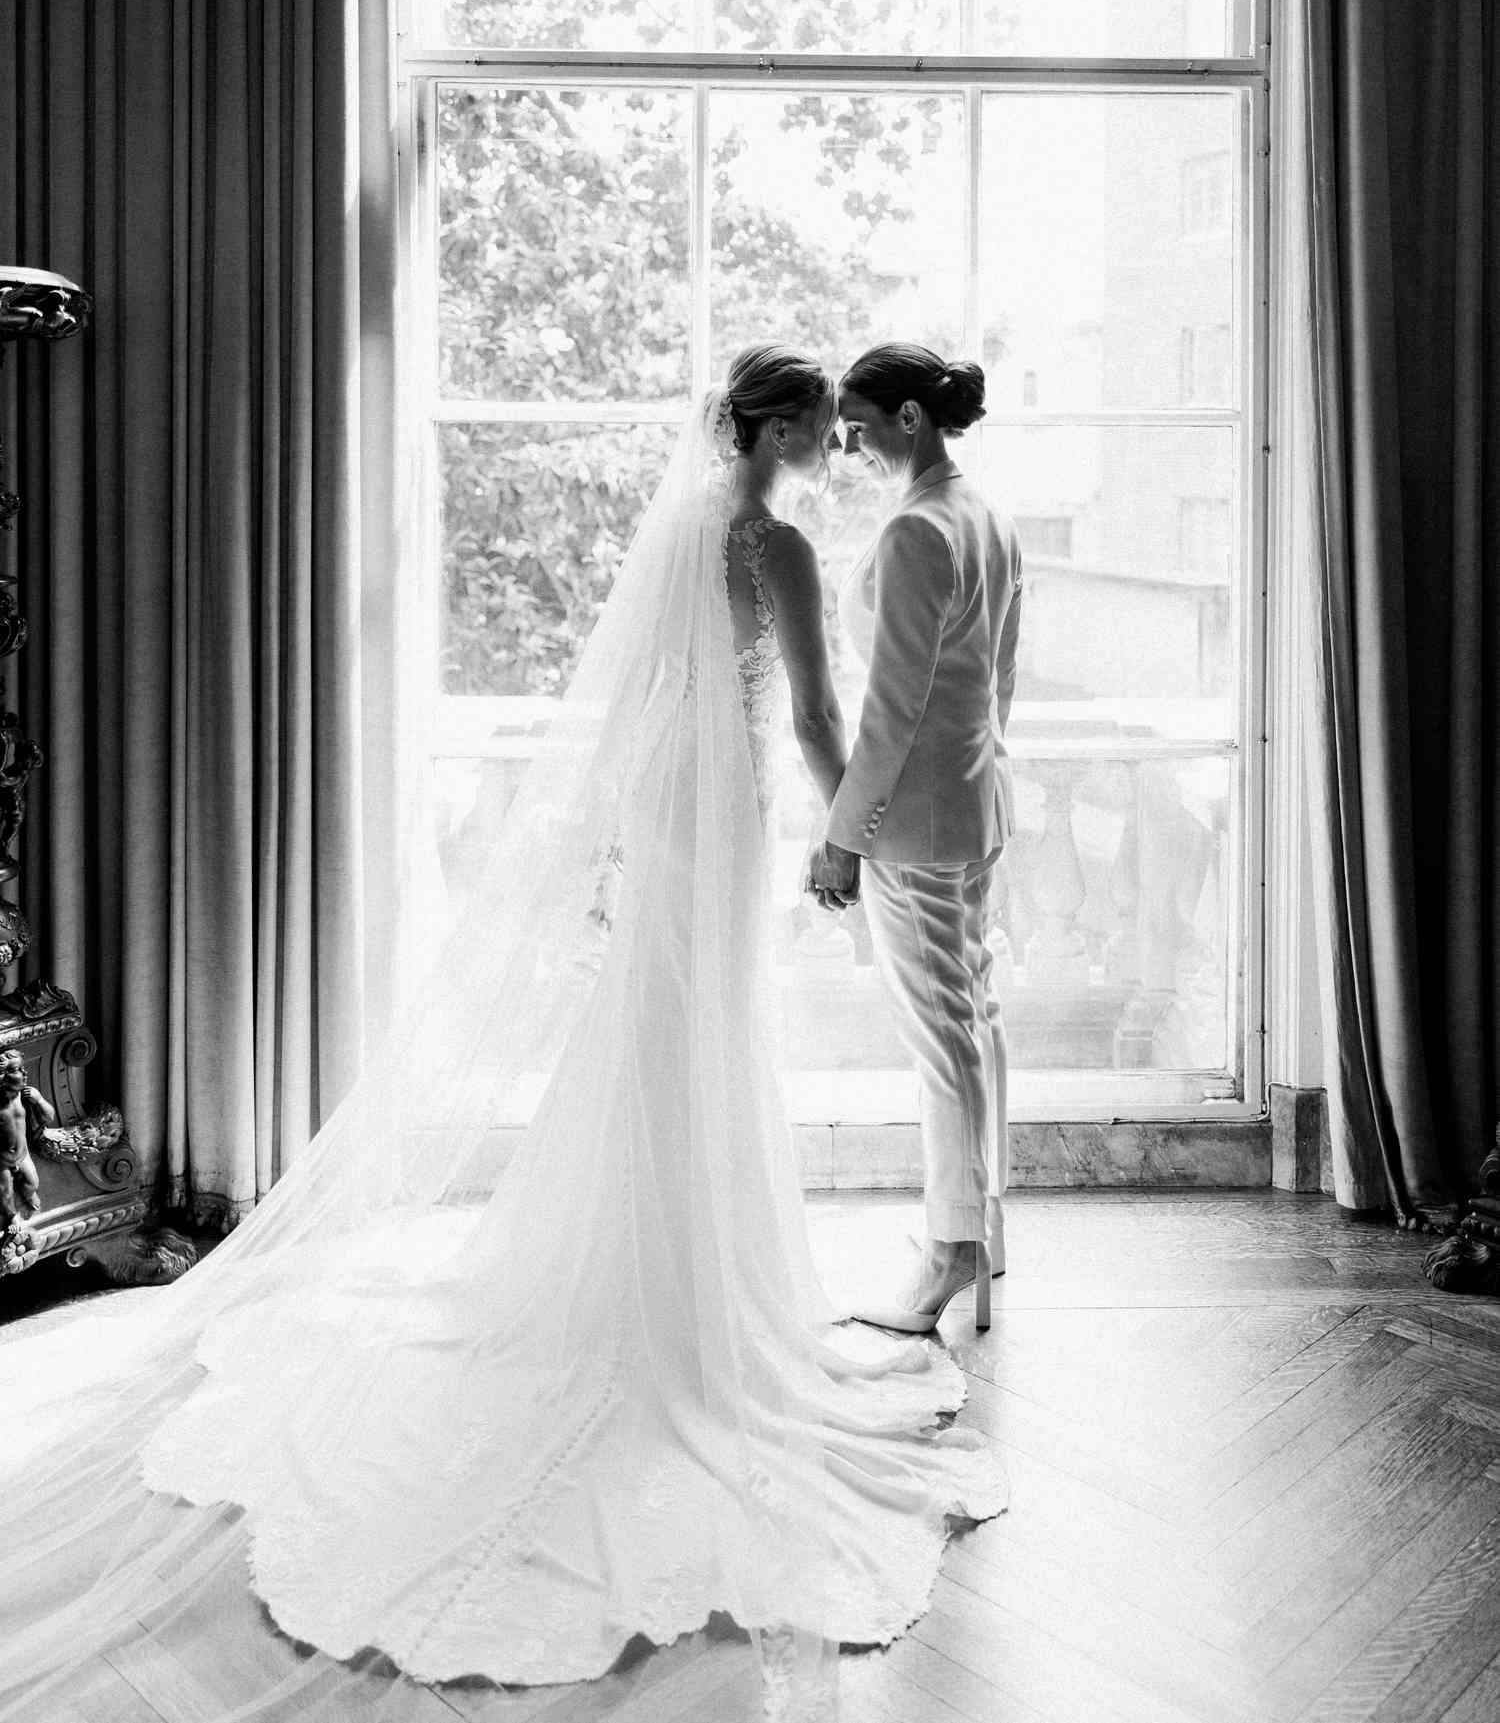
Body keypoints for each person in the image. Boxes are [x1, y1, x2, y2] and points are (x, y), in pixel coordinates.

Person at [0, 345, 1002, 1723]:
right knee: (707, 1047)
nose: (837, 440)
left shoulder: (691, 528)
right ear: (771, 426)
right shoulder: (771, 547)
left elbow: (644, 705)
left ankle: (637, 1276)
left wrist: (614, 849)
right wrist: (855, 838)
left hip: (666, 814)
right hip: (721, 820)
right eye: (822, 421)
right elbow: (824, 713)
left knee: (656, 1044)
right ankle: (690, 1315)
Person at [808, 344, 1023, 1337]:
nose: (843, 441)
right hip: (975, 800)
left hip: (918, 820)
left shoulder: (913, 534)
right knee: (972, 1016)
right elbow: (999, 681)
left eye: (856, 422)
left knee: (939, 1037)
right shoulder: (984, 513)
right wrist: (983, 774)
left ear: (906, 416)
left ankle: (950, 1251)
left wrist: (843, 836)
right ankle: (983, 1221)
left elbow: (889, 711)